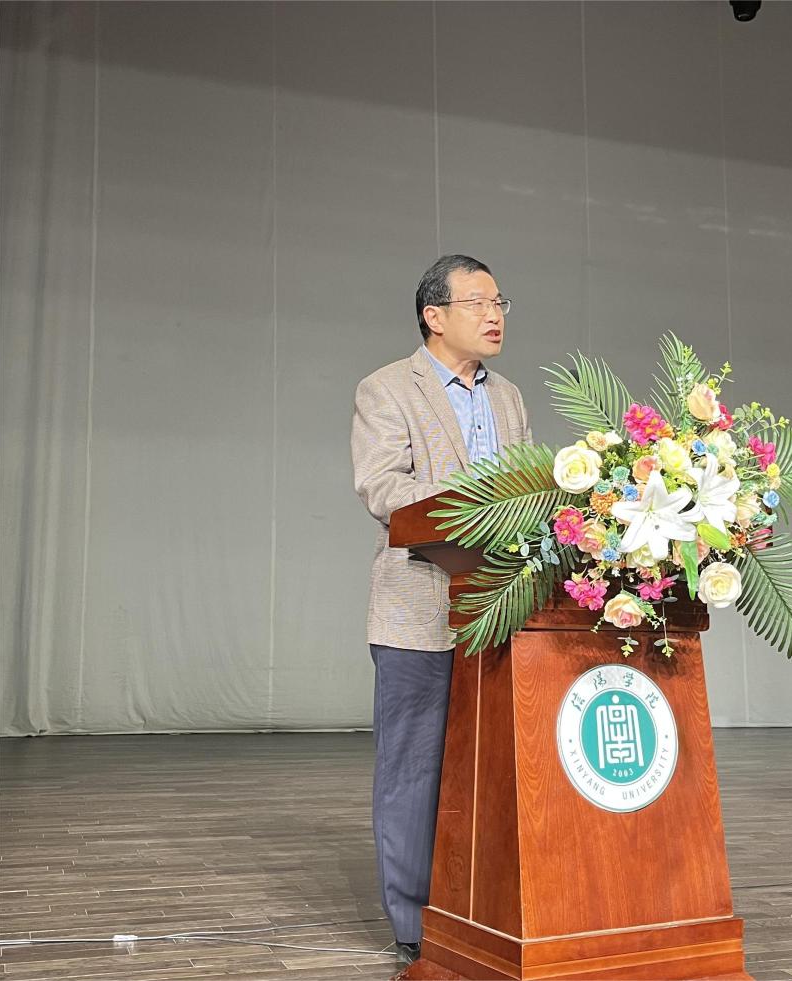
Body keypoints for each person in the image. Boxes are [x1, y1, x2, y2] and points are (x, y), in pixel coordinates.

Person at [350, 255, 530, 966]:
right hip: (419, 607)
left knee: (493, 769)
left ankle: (480, 905)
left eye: (500, 302)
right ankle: (414, 924)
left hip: (502, 608)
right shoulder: (388, 388)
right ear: (434, 315)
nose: (495, 315)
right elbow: (382, 486)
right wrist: (479, 502)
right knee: (414, 773)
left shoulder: (509, 397)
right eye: (479, 302)